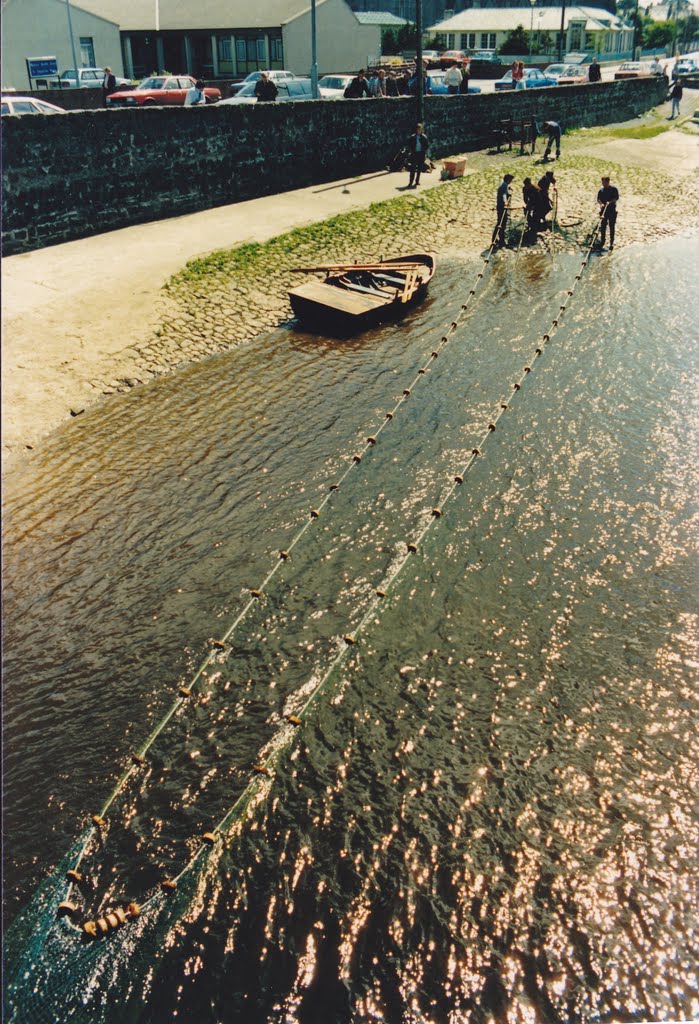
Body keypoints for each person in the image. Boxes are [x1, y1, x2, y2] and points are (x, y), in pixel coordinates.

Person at [597, 175, 619, 250]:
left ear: (608, 182)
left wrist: (609, 202)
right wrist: (601, 204)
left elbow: (616, 198)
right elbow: (598, 199)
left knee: (611, 226)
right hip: (603, 211)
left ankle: (611, 242)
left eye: (604, 182)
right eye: (602, 182)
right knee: (603, 226)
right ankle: (603, 241)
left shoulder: (614, 189)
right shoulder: (601, 191)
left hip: (612, 211)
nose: (603, 184)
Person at [493, 173, 514, 247]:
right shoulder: (503, 186)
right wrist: (505, 202)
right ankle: (499, 240)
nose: (511, 181)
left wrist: (509, 188)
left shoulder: (504, 184)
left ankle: (499, 239)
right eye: (511, 180)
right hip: (502, 207)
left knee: (500, 223)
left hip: (500, 206)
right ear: (508, 180)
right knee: (501, 223)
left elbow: (506, 190)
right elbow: (504, 195)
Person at [406, 123, 429, 188]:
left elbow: (427, 146)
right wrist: (411, 151)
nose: (419, 131)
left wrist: (424, 152)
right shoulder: (413, 137)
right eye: (418, 129)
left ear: (422, 130)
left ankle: (417, 181)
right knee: (412, 169)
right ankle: (410, 182)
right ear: (416, 130)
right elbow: (409, 145)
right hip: (414, 154)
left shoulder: (424, 137)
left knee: (419, 169)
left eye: (420, 129)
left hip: (421, 154)